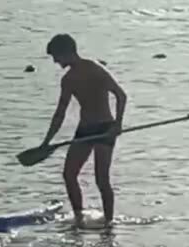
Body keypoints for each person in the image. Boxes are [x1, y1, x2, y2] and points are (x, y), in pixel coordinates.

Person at [39, 33, 127, 227]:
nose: (55, 61)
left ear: (67, 52)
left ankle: (109, 223)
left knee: (101, 179)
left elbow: (121, 95)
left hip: (105, 128)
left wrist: (118, 124)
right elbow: (60, 113)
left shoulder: (96, 69)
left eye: (56, 56)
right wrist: (46, 142)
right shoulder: (68, 79)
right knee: (69, 174)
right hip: (84, 130)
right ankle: (79, 217)